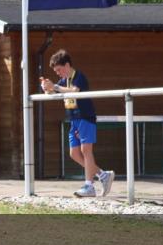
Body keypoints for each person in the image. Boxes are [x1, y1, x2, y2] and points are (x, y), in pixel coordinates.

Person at [40, 49, 114, 197]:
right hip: (73, 120)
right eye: (56, 71)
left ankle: (89, 185)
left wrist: (54, 87)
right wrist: (47, 87)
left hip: (85, 117)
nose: (58, 74)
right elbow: (55, 91)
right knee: (74, 153)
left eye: (59, 70)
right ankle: (103, 175)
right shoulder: (63, 81)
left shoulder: (78, 76)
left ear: (67, 65)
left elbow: (74, 91)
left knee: (86, 150)